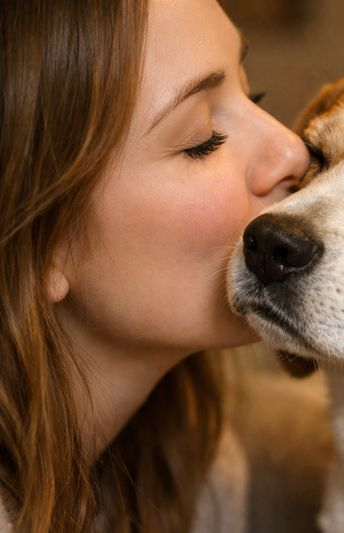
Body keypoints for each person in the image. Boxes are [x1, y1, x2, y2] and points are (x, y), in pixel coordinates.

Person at [0, 0, 309, 530]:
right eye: (202, 139)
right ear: (42, 241)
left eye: (252, 93)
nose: (293, 148)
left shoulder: (195, 468)